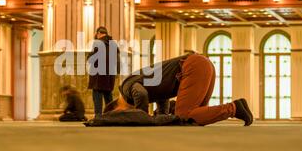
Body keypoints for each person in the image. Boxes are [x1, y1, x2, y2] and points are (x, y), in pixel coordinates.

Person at [104, 53, 254, 127]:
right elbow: (160, 92)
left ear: (117, 109)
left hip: (192, 67)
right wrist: (161, 115)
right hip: (202, 64)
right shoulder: (134, 81)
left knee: (183, 115)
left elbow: (141, 93)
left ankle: (233, 108)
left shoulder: (126, 88)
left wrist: (143, 118)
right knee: (196, 118)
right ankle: (238, 107)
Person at [88, 26, 119, 117]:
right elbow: (117, 61)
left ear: (99, 34)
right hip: (110, 75)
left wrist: (88, 56)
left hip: (98, 75)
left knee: (97, 95)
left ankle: (98, 115)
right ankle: (111, 115)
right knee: (108, 95)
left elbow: (92, 58)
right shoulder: (114, 44)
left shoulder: (98, 43)